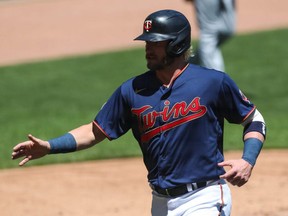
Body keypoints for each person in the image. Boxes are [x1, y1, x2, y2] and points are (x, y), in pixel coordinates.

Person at [11, 9, 266, 216]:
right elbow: (94, 131)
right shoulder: (132, 90)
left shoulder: (212, 82)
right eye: (147, 42)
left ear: (177, 44)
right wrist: (49, 146)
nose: (148, 48)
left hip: (205, 197)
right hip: (161, 203)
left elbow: (253, 119)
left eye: (156, 42)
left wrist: (248, 160)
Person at [184, 0, 236, 71]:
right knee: (207, 49)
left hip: (210, 30)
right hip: (227, 25)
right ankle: (186, 67)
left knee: (208, 45)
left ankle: (186, 68)